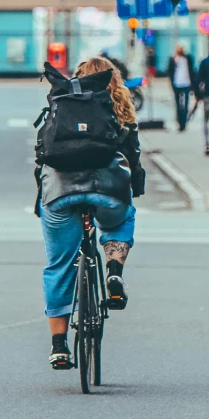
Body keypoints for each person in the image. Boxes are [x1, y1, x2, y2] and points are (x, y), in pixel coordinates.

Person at [34, 57, 146, 370]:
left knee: (59, 265)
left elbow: (42, 151)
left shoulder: (62, 100)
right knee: (122, 219)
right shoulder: (120, 110)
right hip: (106, 191)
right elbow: (133, 160)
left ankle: (59, 346)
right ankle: (113, 271)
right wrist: (133, 189)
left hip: (60, 193)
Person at [167, 45, 194, 132]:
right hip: (176, 83)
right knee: (178, 105)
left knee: (185, 105)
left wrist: (193, 85)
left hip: (186, 83)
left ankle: (184, 122)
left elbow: (192, 71)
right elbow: (170, 71)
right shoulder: (173, 59)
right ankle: (179, 123)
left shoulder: (188, 58)